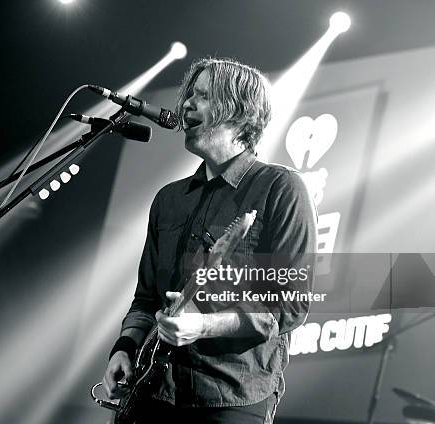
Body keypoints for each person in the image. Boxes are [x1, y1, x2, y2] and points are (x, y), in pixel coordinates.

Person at [102, 57, 317, 423]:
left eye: (202, 96)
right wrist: (124, 347)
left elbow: (288, 308)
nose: (186, 104)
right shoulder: (169, 199)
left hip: (231, 395)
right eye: (189, 95)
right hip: (154, 388)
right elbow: (146, 297)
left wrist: (203, 325)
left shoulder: (281, 189)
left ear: (240, 112)